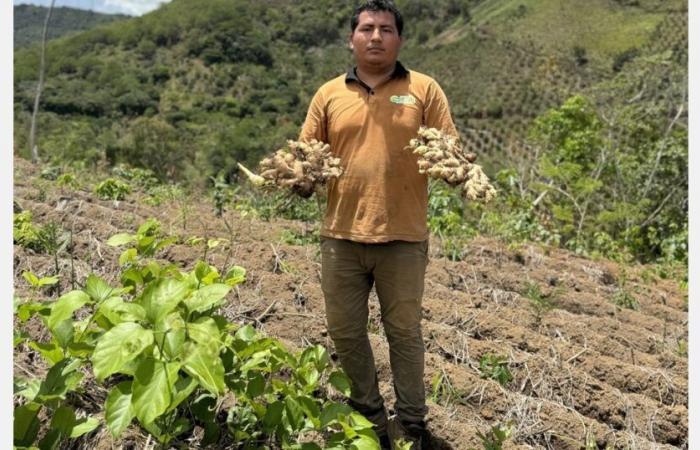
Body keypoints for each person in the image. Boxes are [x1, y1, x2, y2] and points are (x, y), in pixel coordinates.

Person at [299, 1, 458, 448]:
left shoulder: (424, 90)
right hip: (341, 237)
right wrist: (297, 177)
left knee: (404, 333)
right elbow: (306, 153)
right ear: (351, 38)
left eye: (385, 29)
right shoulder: (329, 94)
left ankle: (410, 424)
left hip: (404, 237)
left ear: (399, 40)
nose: (375, 37)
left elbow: (449, 147)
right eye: (366, 29)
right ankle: (368, 413)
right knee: (345, 331)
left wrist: (454, 166)